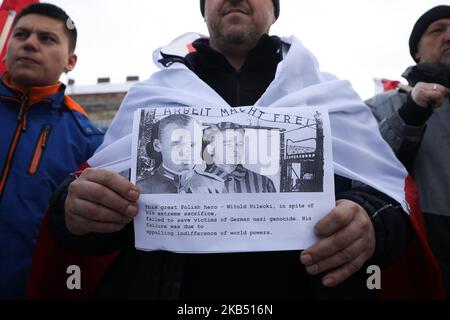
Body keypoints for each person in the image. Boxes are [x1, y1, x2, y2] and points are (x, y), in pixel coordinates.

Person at [43, 0, 438, 299]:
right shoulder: (151, 97)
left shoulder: (330, 96)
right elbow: (91, 210)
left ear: (275, 10)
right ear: (205, 10)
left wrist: (370, 223)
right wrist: (75, 210)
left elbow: (390, 197)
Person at [0, 3, 103, 299]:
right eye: (21, 34)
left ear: (70, 61)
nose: (29, 43)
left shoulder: (90, 143)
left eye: (47, 39)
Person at [366, 5, 450, 298]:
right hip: (420, 247)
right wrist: (411, 113)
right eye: (438, 30)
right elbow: (367, 169)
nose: (449, 36)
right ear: (416, 51)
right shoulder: (380, 105)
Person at [137, 114, 225, 194]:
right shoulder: (141, 188)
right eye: (177, 144)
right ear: (157, 145)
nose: (186, 151)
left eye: (192, 144)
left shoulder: (215, 186)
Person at [203, 121, 277, 193]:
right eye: (228, 144)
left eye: (240, 144)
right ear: (211, 149)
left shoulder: (264, 183)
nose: (235, 149)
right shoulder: (198, 183)